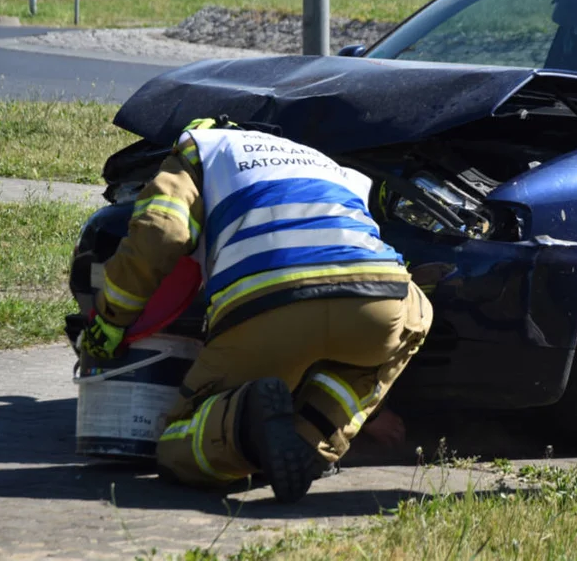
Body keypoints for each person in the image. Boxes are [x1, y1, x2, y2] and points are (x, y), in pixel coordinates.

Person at [81, 116, 433, 503]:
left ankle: (243, 425)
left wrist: (111, 318)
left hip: (265, 308)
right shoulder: (326, 163)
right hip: (375, 303)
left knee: (179, 442)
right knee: (415, 307)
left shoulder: (200, 147)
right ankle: (309, 441)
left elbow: (163, 232)